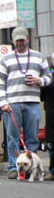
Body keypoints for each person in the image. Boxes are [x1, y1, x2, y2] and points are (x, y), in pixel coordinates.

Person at [0, 26, 52, 179]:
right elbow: (0, 82)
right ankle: (14, 168)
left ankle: (30, 167)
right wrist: (3, 102)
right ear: (13, 41)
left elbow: (49, 77)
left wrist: (38, 80)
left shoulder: (38, 57)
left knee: (32, 137)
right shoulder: (6, 59)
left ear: (28, 39)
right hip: (12, 103)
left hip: (32, 102)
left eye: (22, 39)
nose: (20, 43)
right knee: (12, 136)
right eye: (17, 40)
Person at [42, 52, 54, 181]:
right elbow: (42, 95)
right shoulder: (49, 75)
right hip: (51, 111)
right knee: (52, 142)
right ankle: (53, 171)